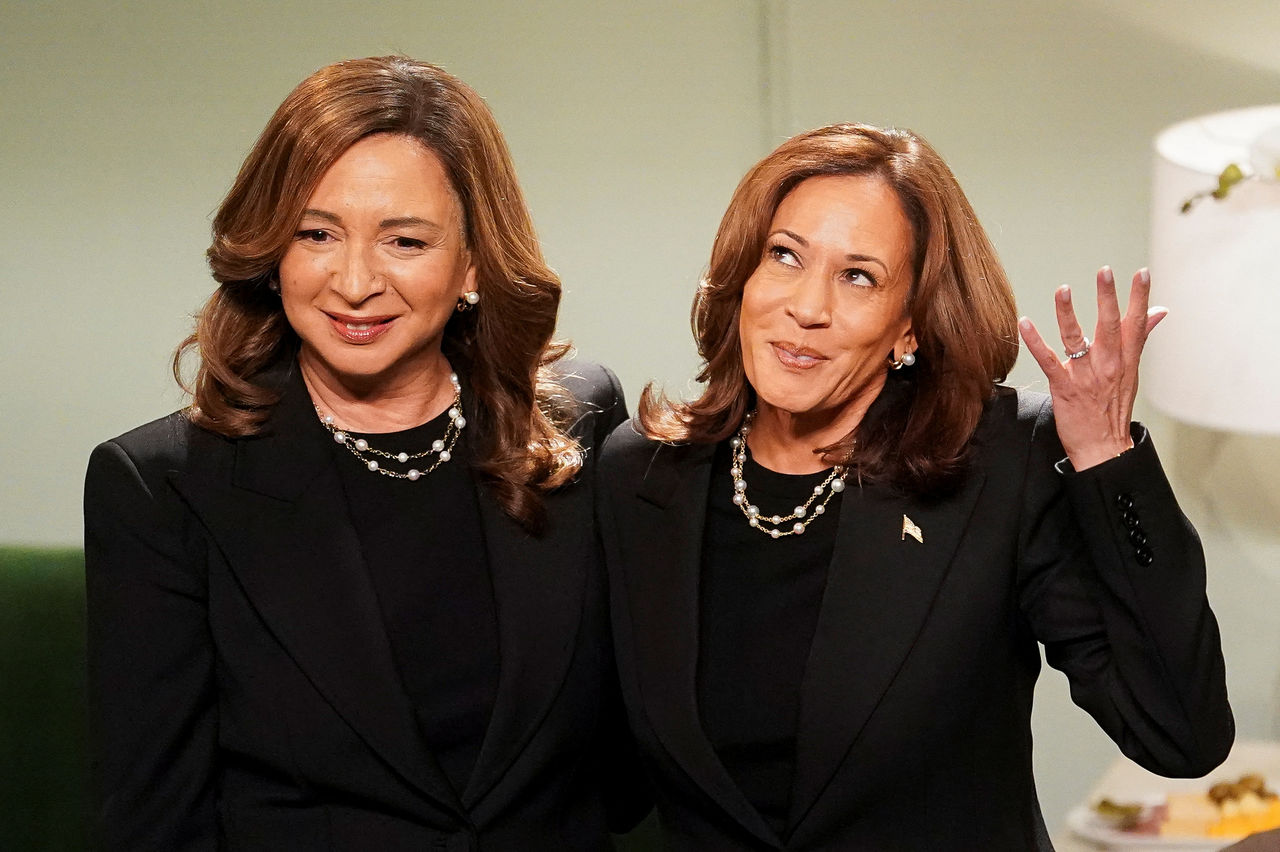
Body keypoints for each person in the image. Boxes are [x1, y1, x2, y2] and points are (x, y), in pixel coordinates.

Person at [597, 123, 1233, 850]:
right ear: (743, 275)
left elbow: (1181, 733)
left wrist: (1106, 457)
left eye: (858, 277)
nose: (807, 307)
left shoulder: (1001, 464)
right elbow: (601, 777)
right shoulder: (640, 476)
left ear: (910, 328)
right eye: (785, 256)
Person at [85, 56, 645, 851]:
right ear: (271, 254)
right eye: (316, 234)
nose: (353, 282)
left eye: (404, 240)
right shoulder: (162, 484)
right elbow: (157, 821)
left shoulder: (580, 418)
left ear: (474, 262)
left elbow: (629, 755)